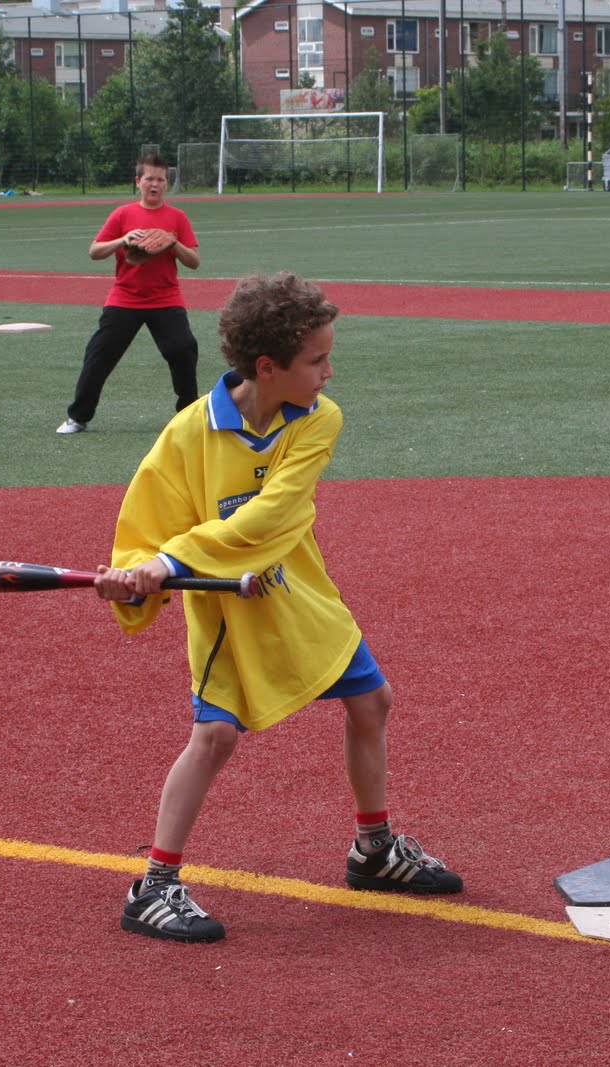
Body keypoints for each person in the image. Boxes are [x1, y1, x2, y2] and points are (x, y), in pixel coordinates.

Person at [94, 271, 463, 943]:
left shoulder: (319, 421)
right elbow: (144, 526)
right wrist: (134, 577)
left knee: (371, 700)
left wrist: (169, 562)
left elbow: (271, 520)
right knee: (215, 736)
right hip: (226, 615)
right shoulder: (186, 436)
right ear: (268, 367)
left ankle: (372, 848)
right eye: (317, 360)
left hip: (299, 593)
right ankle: (152, 884)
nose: (329, 372)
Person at [58, 151, 200, 435]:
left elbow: (194, 261)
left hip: (165, 298)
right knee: (99, 355)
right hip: (125, 297)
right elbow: (94, 251)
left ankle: (188, 415)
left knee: (183, 349)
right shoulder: (123, 214)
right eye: (150, 178)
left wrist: (172, 243)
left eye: (161, 179)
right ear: (138, 181)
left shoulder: (177, 217)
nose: (156, 184)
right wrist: (122, 240)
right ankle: (78, 417)